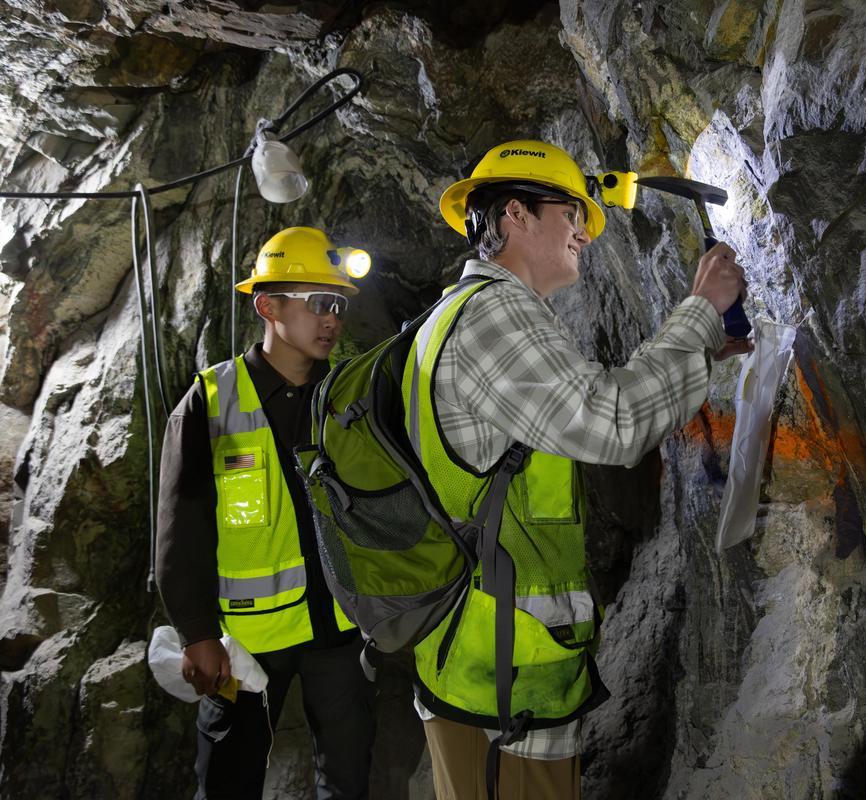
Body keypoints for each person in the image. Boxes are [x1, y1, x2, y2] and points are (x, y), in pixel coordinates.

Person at [406, 140, 751, 799]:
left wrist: (704, 352)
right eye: (572, 213)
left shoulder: (472, 315)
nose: (586, 234)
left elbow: (593, 403)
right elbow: (612, 424)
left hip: (497, 664)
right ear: (516, 215)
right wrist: (702, 308)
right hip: (502, 685)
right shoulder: (491, 317)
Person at [155, 226, 375, 800]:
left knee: (348, 780)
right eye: (319, 304)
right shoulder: (211, 401)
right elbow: (183, 530)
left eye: (339, 306)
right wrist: (197, 634)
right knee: (227, 779)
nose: (332, 319)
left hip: (340, 630)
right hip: (247, 640)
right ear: (268, 306)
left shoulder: (348, 397)